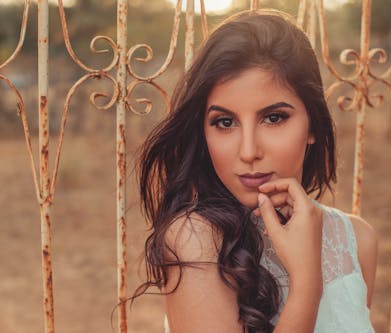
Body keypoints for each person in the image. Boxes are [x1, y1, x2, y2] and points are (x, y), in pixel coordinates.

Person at [135, 9, 377, 333]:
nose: (248, 152)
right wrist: (306, 285)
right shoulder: (196, 240)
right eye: (225, 122)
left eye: (274, 118)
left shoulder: (357, 240)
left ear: (313, 125)